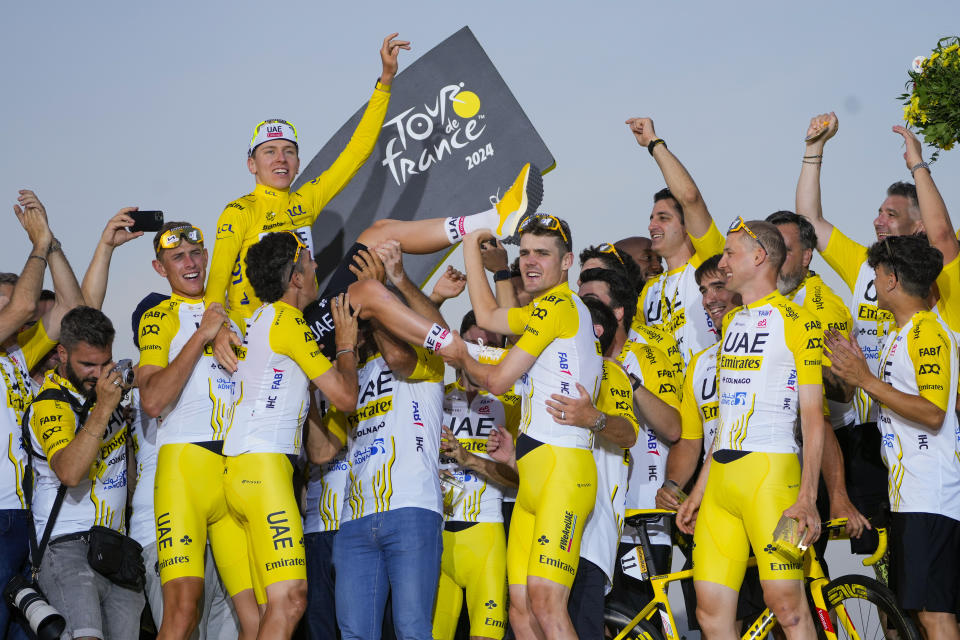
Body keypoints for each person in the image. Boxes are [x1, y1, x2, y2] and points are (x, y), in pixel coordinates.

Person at [440, 215, 603, 640]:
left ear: (567, 262)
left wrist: (461, 358)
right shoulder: (541, 310)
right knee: (521, 612)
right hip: (534, 475)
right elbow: (488, 315)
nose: (530, 261)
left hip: (563, 472)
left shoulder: (557, 306)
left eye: (542, 254)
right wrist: (470, 245)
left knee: (547, 605)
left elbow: (495, 381)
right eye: (525, 251)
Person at [677, 219, 825, 640]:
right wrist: (701, 488)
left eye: (729, 253)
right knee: (710, 613)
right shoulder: (733, 324)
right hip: (722, 482)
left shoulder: (800, 321)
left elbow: (814, 420)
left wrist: (808, 498)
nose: (722, 263)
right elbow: (726, 417)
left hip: (774, 481)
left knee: (788, 608)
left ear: (759, 257)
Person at [205, 34, 409, 321]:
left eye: (288, 151)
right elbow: (216, 284)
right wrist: (219, 331)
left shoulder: (306, 199)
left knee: (377, 245)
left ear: (298, 163)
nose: (280, 159)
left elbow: (358, 152)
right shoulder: (239, 212)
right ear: (251, 164)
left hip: (301, 324)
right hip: (251, 335)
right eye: (270, 152)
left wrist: (385, 80)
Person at [222, 231, 360, 640]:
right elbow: (347, 397)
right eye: (309, 263)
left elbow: (319, 452)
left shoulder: (263, 319)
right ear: (295, 277)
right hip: (264, 472)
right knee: (292, 599)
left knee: (270, 610)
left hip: (245, 471)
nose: (316, 268)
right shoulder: (287, 320)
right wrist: (346, 345)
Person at [825, 235, 960, 640]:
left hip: (931, 493)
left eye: (878, 272)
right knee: (920, 614)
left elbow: (933, 412)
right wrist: (857, 374)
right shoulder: (901, 335)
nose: (874, 280)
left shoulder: (927, 334)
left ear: (892, 280)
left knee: (936, 615)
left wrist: (864, 379)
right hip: (910, 492)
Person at [135, 223, 258, 639]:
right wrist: (202, 334)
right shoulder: (159, 318)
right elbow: (152, 401)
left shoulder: (237, 316)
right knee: (183, 613)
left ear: (207, 256)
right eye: (177, 257)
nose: (189, 263)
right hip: (185, 471)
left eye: (195, 253)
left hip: (237, 471)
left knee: (257, 615)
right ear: (160, 267)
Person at [329, 241, 447, 640]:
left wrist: (377, 303)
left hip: (412, 509)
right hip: (354, 520)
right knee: (355, 634)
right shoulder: (347, 375)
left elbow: (398, 360)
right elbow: (320, 450)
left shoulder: (424, 360)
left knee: (413, 630)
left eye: (361, 314)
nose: (357, 320)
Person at [26, 307, 144, 640]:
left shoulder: (106, 391)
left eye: (105, 363)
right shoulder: (49, 404)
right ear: (61, 354)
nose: (98, 373)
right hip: (67, 546)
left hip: (117, 548)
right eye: (88, 365)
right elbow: (69, 472)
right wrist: (106, 406)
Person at [0, 191, 84, 639]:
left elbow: (72, 310)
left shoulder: (16, 353)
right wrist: (36, 243)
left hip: (22, 514)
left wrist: (51, 246)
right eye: (3, 305)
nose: (15, 316)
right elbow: (25, 307)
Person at [575, 268, 681, 613]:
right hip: (586, 517)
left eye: (591, 302)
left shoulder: (649, 356)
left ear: (617, 313)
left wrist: (629, 381)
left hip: (641, 519)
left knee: (642, 622)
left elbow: (675, 429)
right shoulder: (574, 359)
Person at [432, 313, 520, 640]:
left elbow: (520, 480)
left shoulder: (509, 403)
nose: (479, 351)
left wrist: (468, 459)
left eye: (488, 346)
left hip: (486, 535)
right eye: (472, 343)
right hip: (437, 538)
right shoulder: (435, 397)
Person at [625, 117, 726, 363]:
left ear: (686, 226)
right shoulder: (649, 291)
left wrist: (653, 143)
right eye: (651, 218)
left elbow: (690, 197)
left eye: (663, 217)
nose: (652, 226)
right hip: (669, 400)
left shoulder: (710, 262)